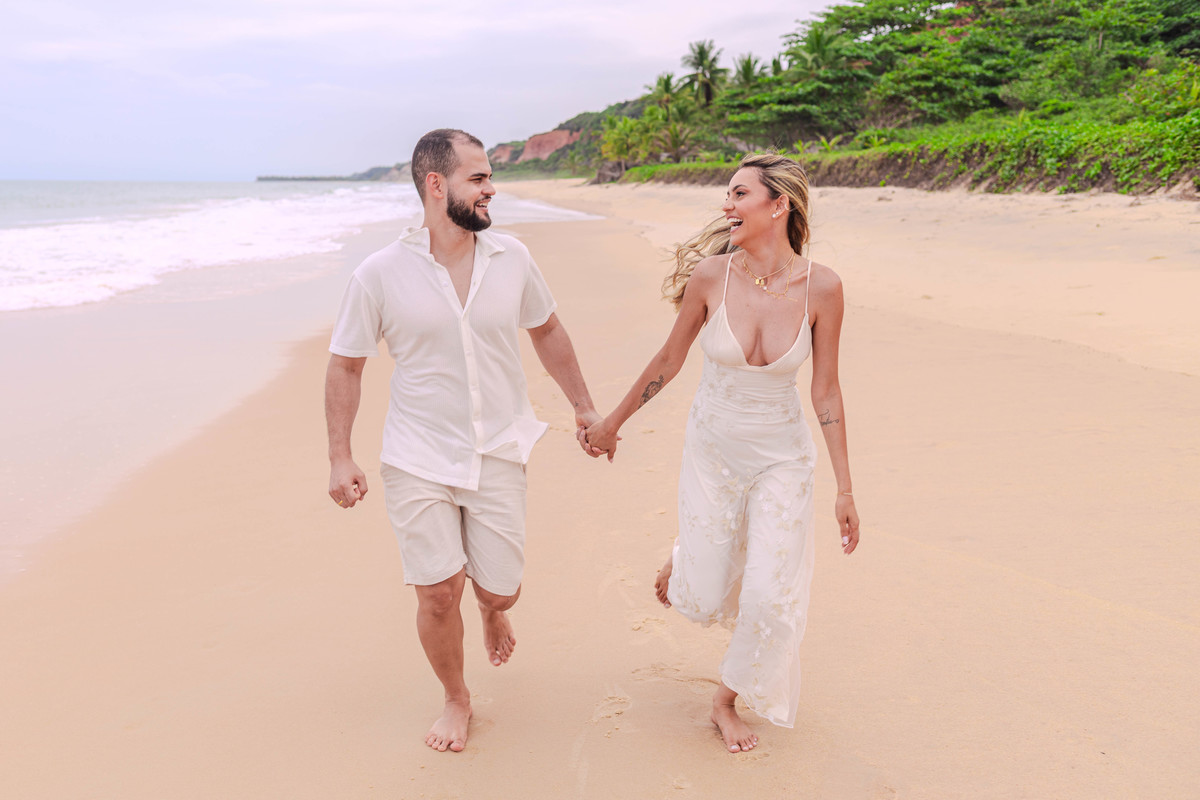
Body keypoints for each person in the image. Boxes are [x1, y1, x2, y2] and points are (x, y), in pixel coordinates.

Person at [325, 128, 604, 753]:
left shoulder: (513, 257)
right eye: (478, 178)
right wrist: (341, 455)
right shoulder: (379, 274)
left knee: (500, 588)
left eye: (489, 177)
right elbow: (346, 364)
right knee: (436, 591)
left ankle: (491, 608)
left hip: (499, 445)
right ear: (436, 184)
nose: (490, 189)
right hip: (417, 454)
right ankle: (456, 697)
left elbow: (547, 329)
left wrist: (584, 407)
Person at [581, 153, 860, 753]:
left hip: (783, 456)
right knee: (703, 594)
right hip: (714, 449)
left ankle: (725, 701)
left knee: (770, 594)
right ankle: (687, 556)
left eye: (738, 194)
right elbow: (669, 359)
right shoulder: (712, 277)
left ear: (778, 205)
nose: (725, 205)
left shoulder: (824, 287)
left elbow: (826, 389)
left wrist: (845, 488)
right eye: (727, 195)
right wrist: (611, 424)